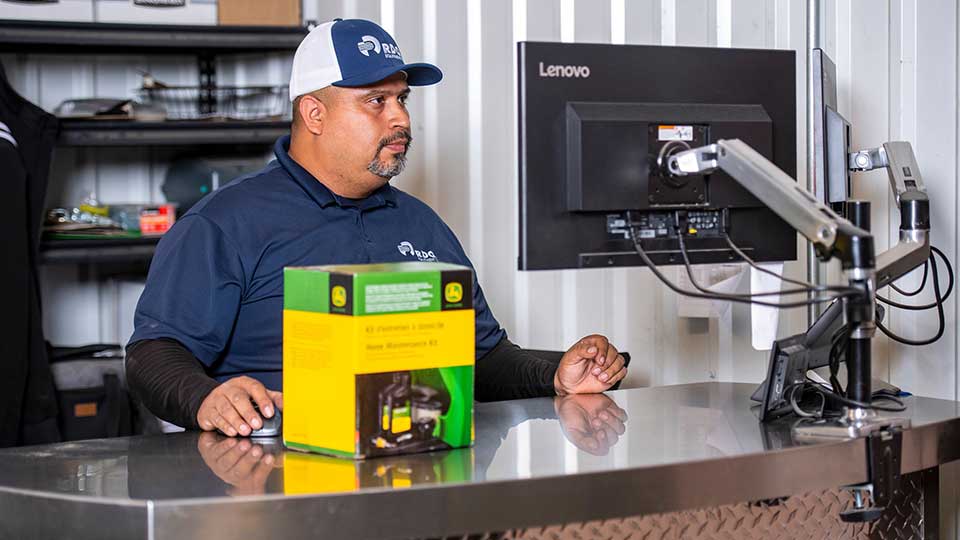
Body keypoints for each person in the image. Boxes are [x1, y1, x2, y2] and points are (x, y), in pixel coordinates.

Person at [125, 18, 627, 437]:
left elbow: (481, 358)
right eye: (376, 101)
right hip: (274, 484)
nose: (401, 120)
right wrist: (207, 397)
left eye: (402, 99)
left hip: (417, 474)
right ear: (314, 114)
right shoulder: (226, 223)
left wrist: (554, 376)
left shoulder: (420, 223)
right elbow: (154, 354)